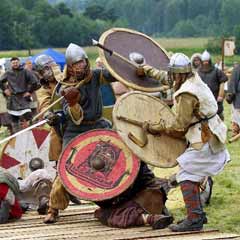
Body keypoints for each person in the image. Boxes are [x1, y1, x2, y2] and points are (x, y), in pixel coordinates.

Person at [44, 43, 173, 230]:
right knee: (66, 170)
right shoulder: (63, 88)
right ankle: (53, 209)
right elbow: (75, 119)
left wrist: (134, 70)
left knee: (129, 151)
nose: (81, 67)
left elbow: (114, 74)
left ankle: (152, 189)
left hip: (99, 125)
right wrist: (72, 103)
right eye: (77, 64)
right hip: (76, 131)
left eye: (83, 63)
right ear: (70, 67)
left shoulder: (94, 76)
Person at [139, 53, 229, 232]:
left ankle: (194, 218)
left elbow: (178, 127)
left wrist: (155, 128)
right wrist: (146, 70)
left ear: (180, 74)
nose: (171, 77)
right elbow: (166, 77)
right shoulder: (192, 78)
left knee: (186, 173)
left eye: (174, 74)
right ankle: (196, 215)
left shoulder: (187, 93)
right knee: (190, 174)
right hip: (209, 132)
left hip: (204, 137)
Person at [0, 57, 41, 133]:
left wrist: (29, 91)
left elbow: (35, 82)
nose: (15, 64)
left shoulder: (25, 71)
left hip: (24, 98)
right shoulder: (8, 73)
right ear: (11, 64)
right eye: (13, 63)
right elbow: (0, 81)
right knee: (14, 119)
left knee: (29, 117)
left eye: (16, 62)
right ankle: (17, 137)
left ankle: (34, 134)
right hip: (13, 99)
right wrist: (5, 89)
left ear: (19, 63)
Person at [198, 50, 228, 120]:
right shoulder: (198, 72)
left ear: (209, 61)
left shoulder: (216, 71)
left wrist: (220, 95)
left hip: (215, 97)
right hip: (203, 99)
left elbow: (223, 81)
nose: (205, 63)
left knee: (218, 115)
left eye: (207, 61)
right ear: (202, 62)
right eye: (204, 61)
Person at [226, 63, 240, 137]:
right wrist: (231, 94)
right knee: (236, 114)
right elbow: (233, 82)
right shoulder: (237, 69)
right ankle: (235, 131)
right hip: (238, 97)